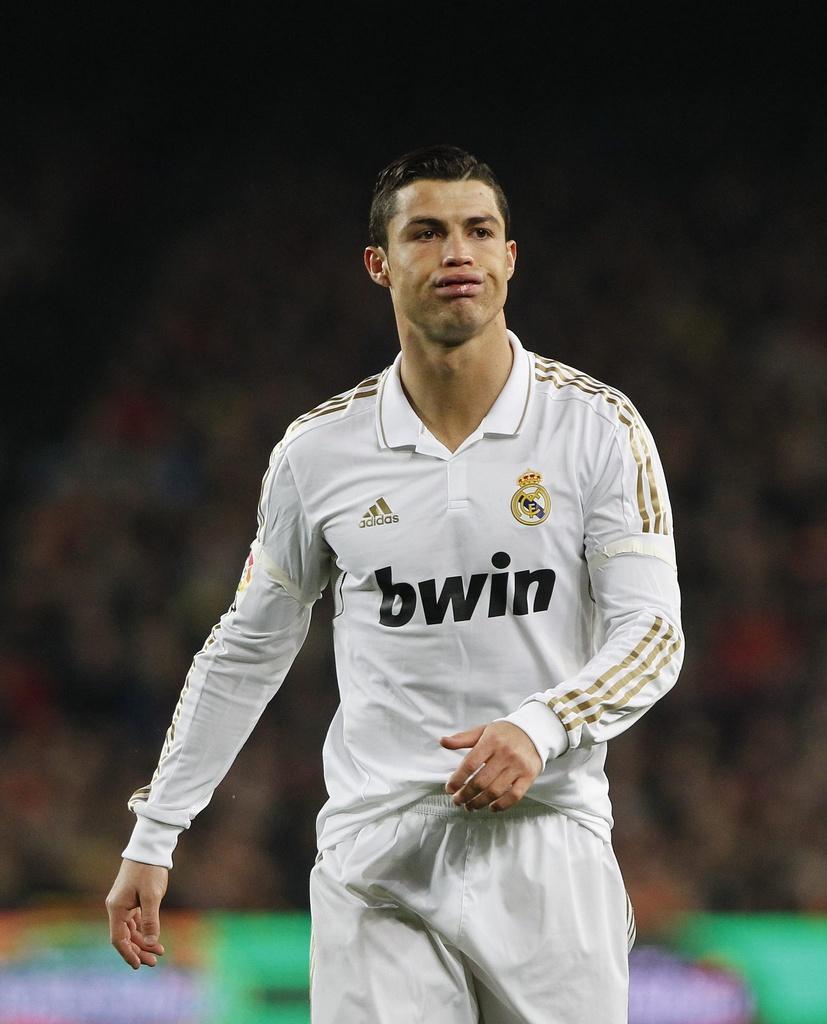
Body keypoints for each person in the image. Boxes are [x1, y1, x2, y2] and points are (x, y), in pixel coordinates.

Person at [106, 145, 684, 1022]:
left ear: (508, 258)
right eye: (427, 232)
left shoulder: (597, 427)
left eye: (478, 231)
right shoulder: (317, 452)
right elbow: (248, 647)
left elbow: (652, 634)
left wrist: (540, 727)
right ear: (379, 264)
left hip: (548, 849)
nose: (457, 252)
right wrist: (156, 831)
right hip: (378, 859)